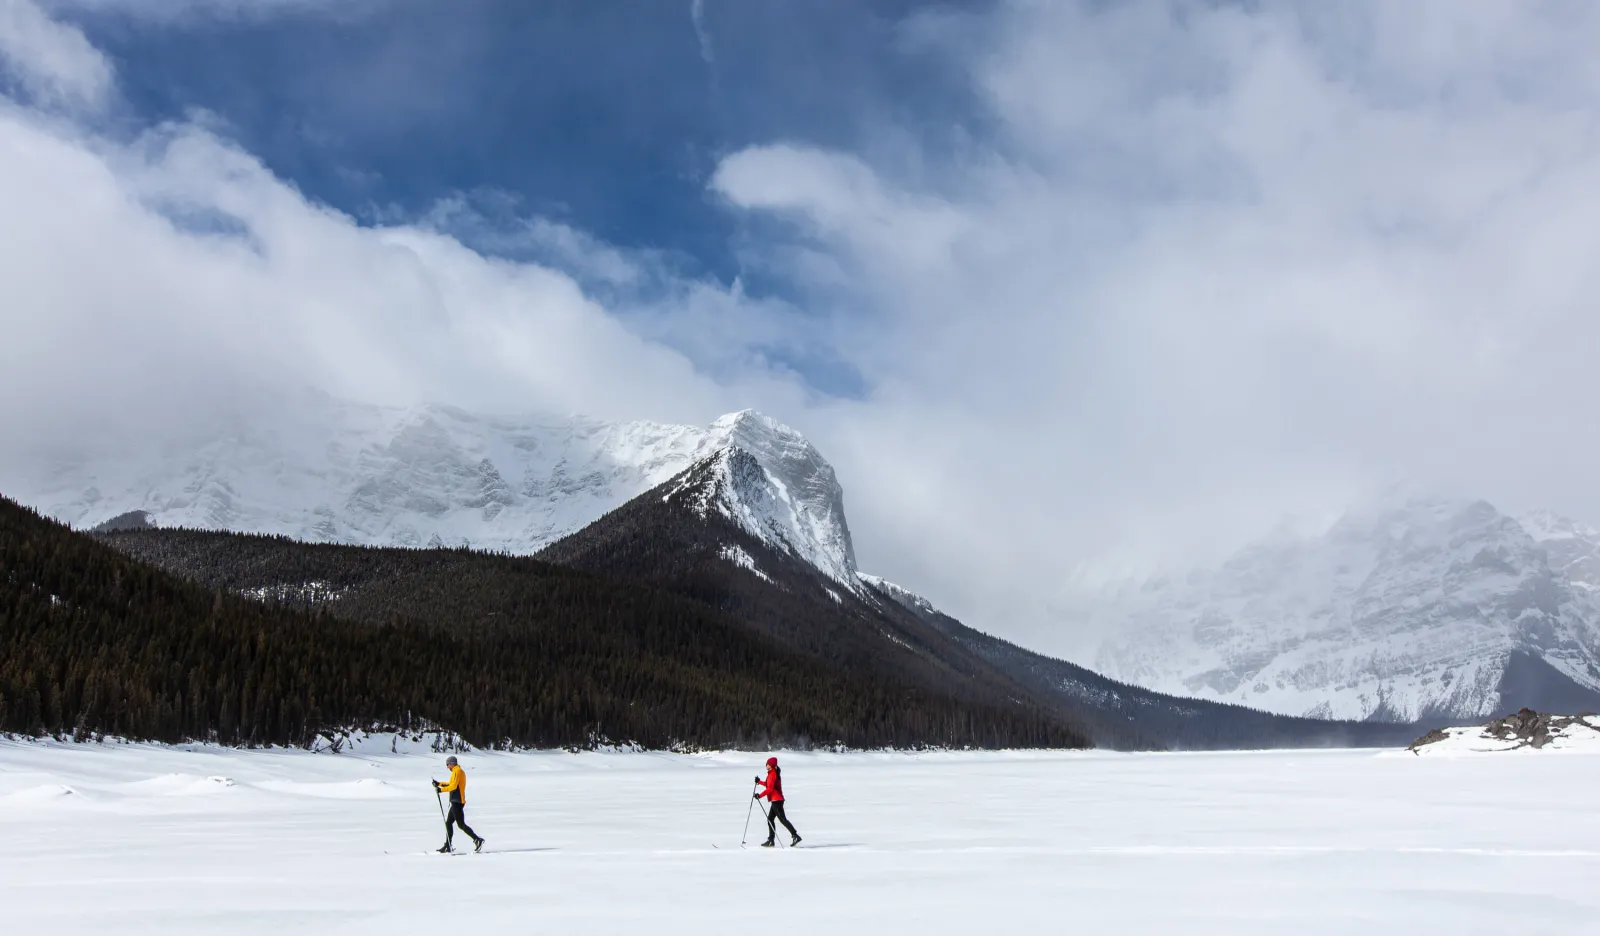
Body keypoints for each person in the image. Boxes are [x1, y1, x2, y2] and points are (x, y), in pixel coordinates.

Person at [432, 755, 484, 854]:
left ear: (452, 763)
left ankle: (477, 839)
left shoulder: (458, 771)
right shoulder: (456, 772)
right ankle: (448, 845)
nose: (447, 767)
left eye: (448, 765)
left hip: (458, 801)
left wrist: (441, 790)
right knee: (448, 823)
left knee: (461, 825)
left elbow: (453, 786)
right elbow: (451, 783)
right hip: (455, 801)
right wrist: (439, 783)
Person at [754, 755, 800, 847]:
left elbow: (770, 789)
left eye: (767, 763)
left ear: (771, 765)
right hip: (776, 800)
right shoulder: (772, 773)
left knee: (782, 820)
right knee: (770, 819)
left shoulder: (773, 774)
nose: (766, 765)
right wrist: (759, 782)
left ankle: (795, 835)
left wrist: (760, 795)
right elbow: (768, 785)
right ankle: (771, 840)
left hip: (777, 800)